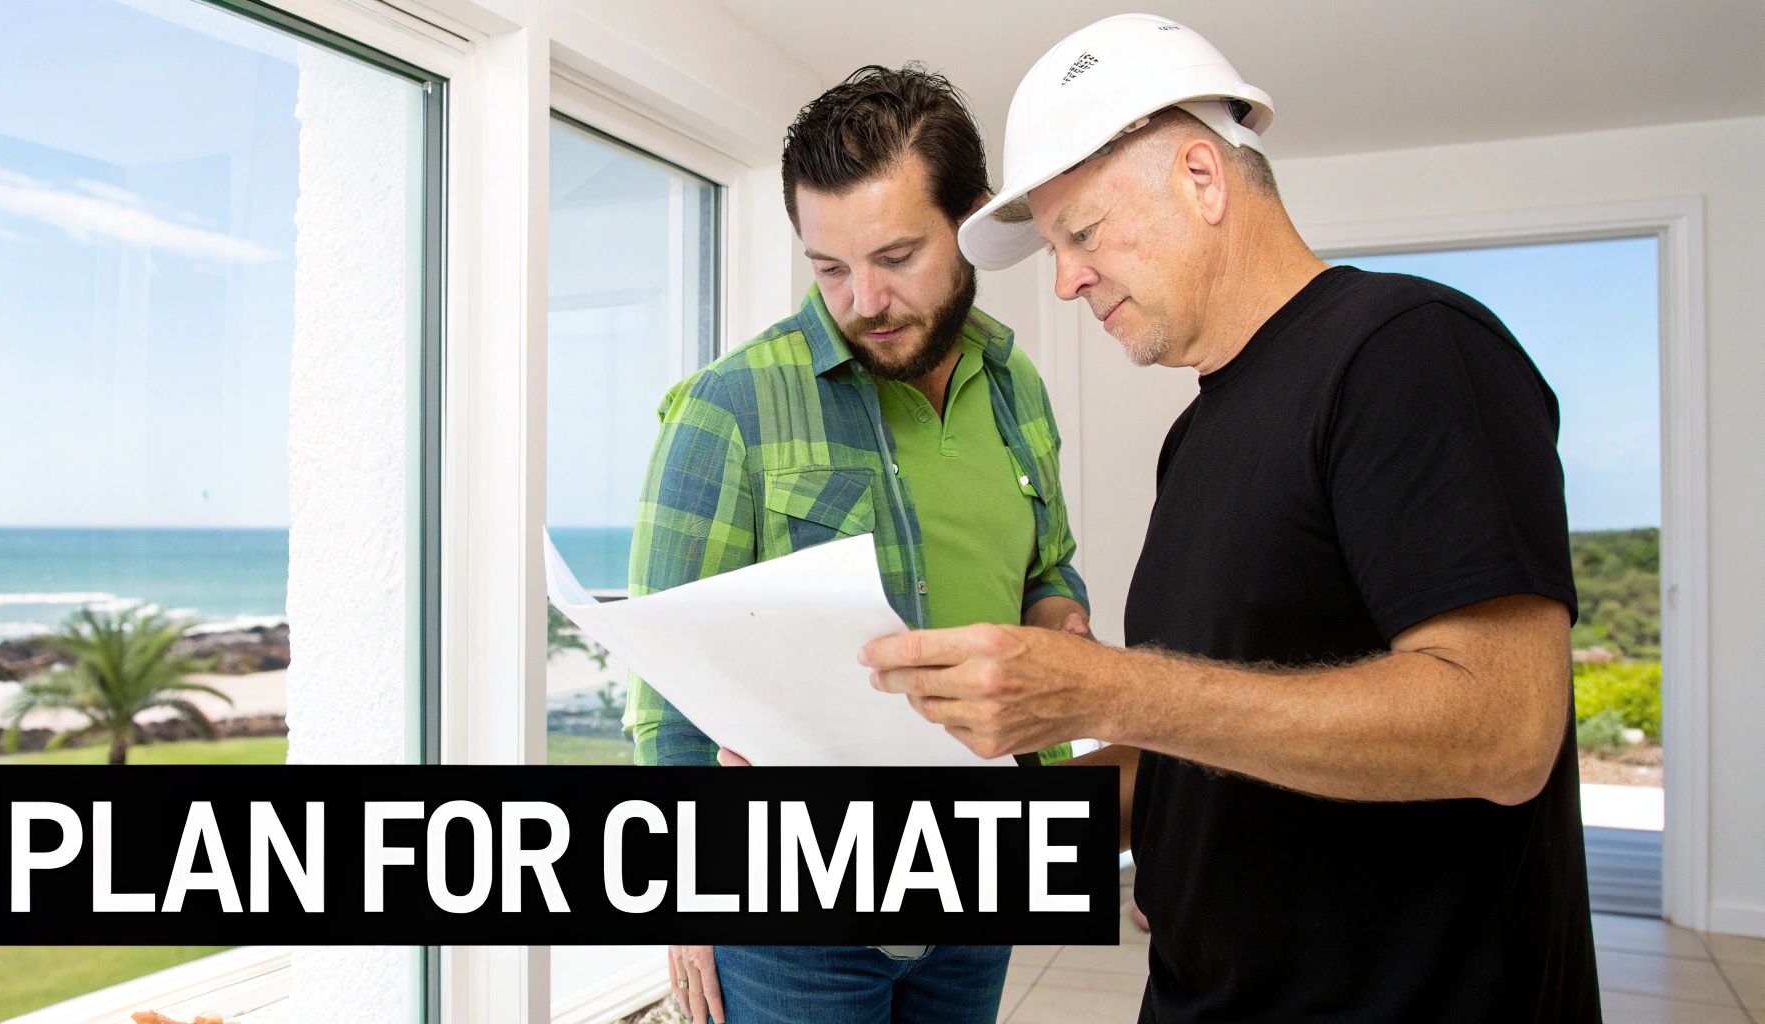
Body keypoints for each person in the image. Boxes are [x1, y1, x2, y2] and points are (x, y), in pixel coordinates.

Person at [863, 14, 1601, 1022]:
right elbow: (1187, 747)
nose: (1065, 280)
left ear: (1202, 178)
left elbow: (1505, 731)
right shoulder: (1197, 435)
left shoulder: (1410, 350)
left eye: (1082, 233)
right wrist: (916, 836)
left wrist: (1108, 689)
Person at [623, 65, 1090, 1024]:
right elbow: (665, 684)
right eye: (829, 267)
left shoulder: (1016, 387)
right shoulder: (729, 407)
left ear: (971, 222)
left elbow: (1046, 564)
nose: (863, 300)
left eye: (896, 256)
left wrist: (1059, 617)